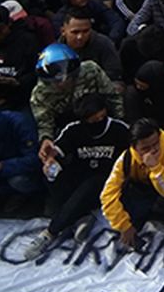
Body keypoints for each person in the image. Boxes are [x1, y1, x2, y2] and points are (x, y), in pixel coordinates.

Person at [21, 93, 130, 259]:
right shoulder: (74, 129)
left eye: (100, 117)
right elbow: (58, 149)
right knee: (52, 173)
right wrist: (49, 159)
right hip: (78, 180)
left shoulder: (120, 129)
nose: (97, 122)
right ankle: (80, 217)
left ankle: (50, 232)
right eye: (92, 120)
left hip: (106, 182)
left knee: (92, 184)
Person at [100, 117, 164, 248]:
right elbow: (107, 195)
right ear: (135, 148)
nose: (153, 150)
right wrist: (123, 225)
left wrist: (155, 167)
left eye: (156, 144)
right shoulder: (125, 159)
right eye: (146, 148)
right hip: (144, 191)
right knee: (126, 194)